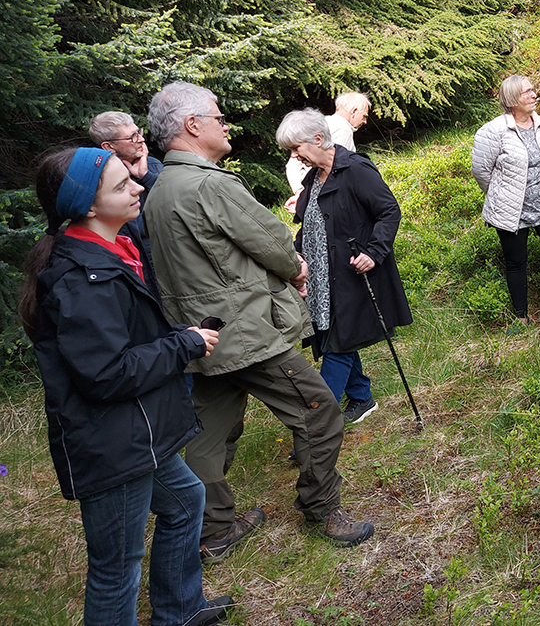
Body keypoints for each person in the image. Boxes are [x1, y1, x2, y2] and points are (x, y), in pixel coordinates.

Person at [143, 81, 374, 558]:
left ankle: (212, 530)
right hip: (246, 332)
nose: (226, 125)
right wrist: (297, 268)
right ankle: (322, 507)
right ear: (191, 125)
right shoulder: (209, 184)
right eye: (218, 117)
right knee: (320, 412)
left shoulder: (160, 188)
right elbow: (270, 239)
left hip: (200, 336)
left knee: (210, 434)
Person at [19, 147, 232, 626]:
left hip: (137, 432)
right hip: (110, 442)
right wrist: (185, 345)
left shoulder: (115, 250)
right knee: (116, 568)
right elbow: (105, 374)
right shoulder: (81, 280)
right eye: (121, 186)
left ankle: (180, 610)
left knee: (186, 500)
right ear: (87, 208)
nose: (138, 186)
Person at [276, 109, 412, 423]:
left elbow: (389, 212)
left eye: (297, 149)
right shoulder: (313, 178)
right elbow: (311, 227)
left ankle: (317, 424)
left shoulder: (356, 169)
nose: (295, 157)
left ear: (319, 139)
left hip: (349, 275)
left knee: (337, 345)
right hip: (320, 280)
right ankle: (362, 398)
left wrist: (374, 252)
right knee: (331, 339)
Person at [471, 75, 540, 324]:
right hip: (511, 210)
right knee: (516, 262)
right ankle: (521, 317)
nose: (533, 95)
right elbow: (480, 171)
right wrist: (501, 195)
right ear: (511, 100)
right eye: (526, 92)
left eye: (533, 90)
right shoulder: (493, 131)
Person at [89, 111, 164, 300]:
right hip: (133, 271)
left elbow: (175, 207)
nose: (141, 139)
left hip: (166, 266)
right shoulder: (98, 180)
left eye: (138, 132)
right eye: (132, 137)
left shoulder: (153, 167)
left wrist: (146, 177)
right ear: (109, 147)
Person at [284, 92, 371, 210]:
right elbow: (333, 171)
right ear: (354, 111)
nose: (365, 121)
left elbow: (292, 165)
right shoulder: (343, 130)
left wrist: (300, 192)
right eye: (364, 116)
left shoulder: (320, 124)